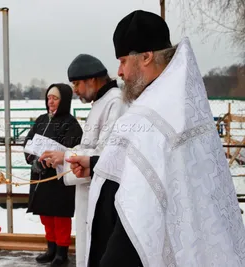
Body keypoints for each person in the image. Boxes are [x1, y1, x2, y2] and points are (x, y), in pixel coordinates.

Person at [67, 9, 245, 267]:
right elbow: (149, 171)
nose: (120, 72)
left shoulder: (155, 114)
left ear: (147, 57)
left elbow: (140, 209)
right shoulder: (172, 103)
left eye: (124, 61)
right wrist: (95, 165)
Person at [38, 54, 127, 267]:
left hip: (102, 194)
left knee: (98, 249)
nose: (75, 90)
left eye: (77, 83)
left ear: (93, 80)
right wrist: (63, 155)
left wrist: (66, 157)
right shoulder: (100, 102)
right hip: (88, 191)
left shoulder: (115, 102)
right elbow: (89, 146)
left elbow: (106, 155)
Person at [23, 83, 83, 266]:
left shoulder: (71, 124)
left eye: (55, 98)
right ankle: (50, 248)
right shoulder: (41, 120)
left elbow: (73, 149)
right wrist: (33, 160)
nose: (51, 101)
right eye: (49, 98)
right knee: (45, 215)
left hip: (57, 179)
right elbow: (28, 142)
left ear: (63, 101)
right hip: (40, 177)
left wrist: (55, 159)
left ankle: (61, 252)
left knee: (60, 217)